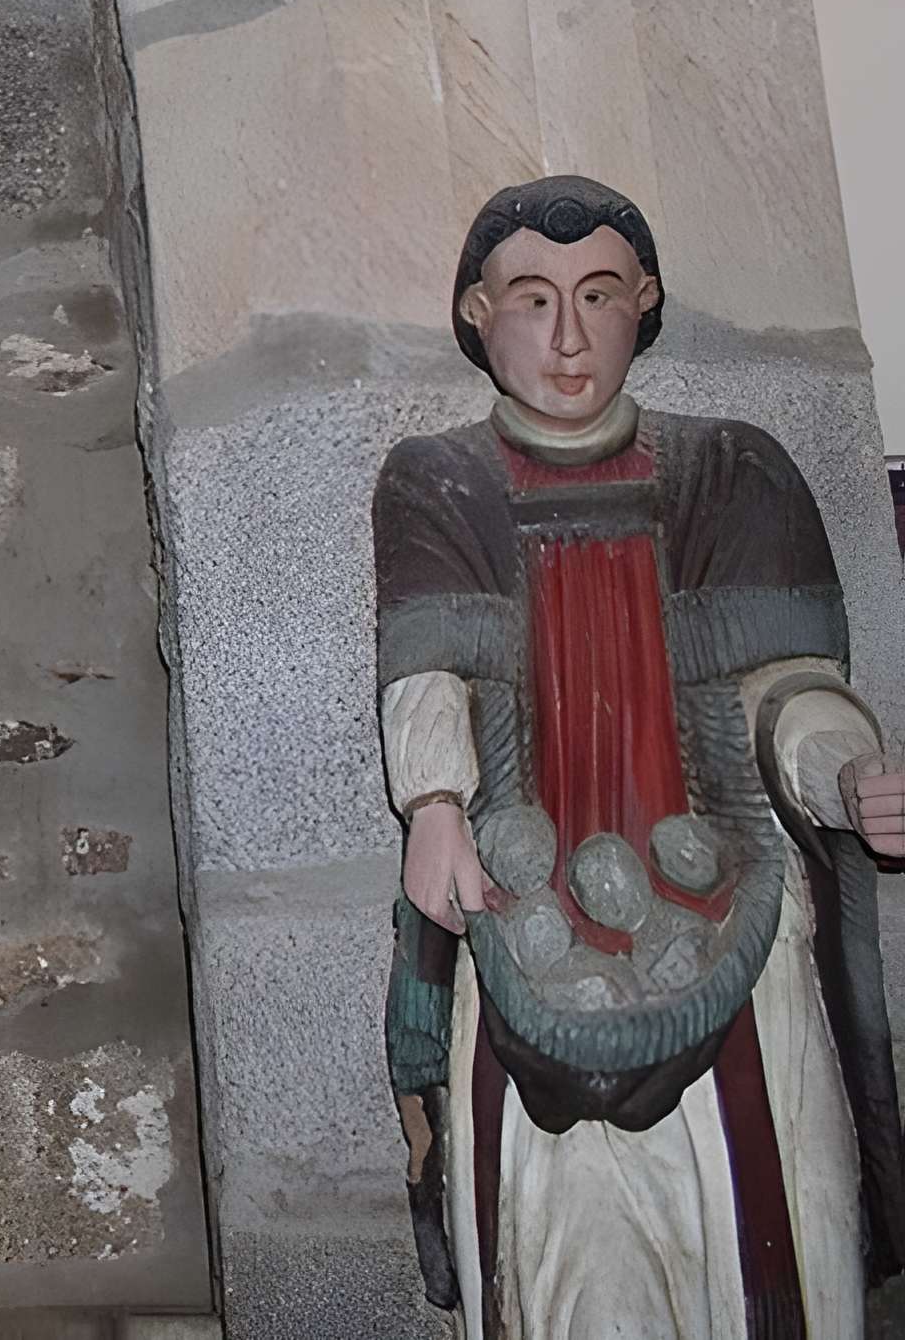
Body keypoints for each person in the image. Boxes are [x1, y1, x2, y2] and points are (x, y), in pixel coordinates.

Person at [376, 176, 905, 1335]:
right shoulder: (437, 478)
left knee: (770, 1232)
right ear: (476, 312)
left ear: (644, 299)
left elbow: (784, 686)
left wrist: (843, 773)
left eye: (598, 293)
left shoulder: (732, 470)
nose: (564, 336)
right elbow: (428, 673)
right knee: (566, 1262)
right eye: (530, 297)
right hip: (523, 918)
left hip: (734, 917)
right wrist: (432, 801)